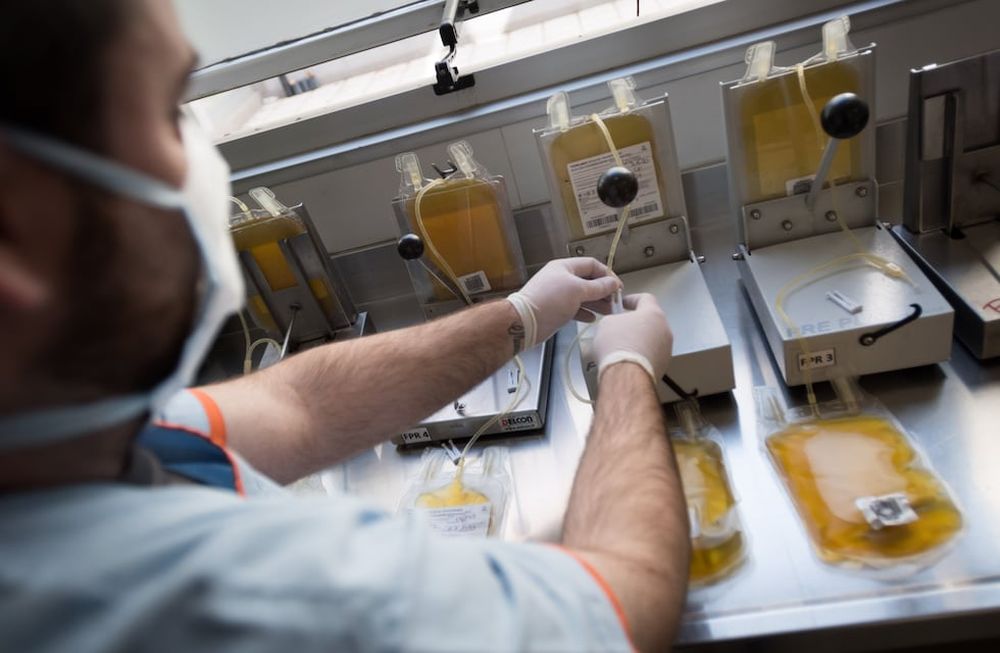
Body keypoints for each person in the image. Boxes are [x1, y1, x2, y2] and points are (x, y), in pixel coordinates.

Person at [0, 1, 690, 651]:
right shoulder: (238, 595)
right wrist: (626, 371)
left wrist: (524, 314)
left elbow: (296, 403)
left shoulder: (68, 435)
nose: (202, 164)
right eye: (166, 111)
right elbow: (628, 601)